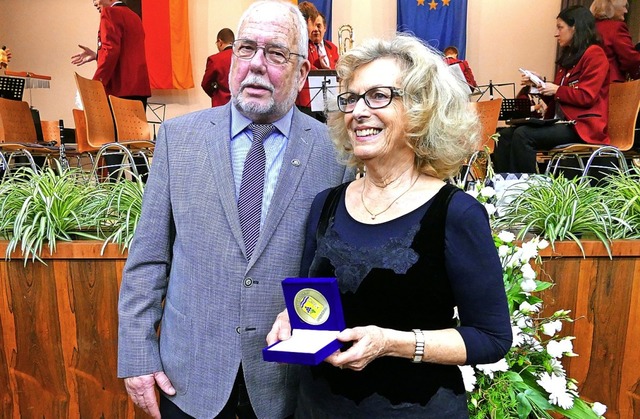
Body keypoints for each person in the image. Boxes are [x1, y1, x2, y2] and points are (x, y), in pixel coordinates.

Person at [117, 1, 348, 418]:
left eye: (276, 53)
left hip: (287, 388)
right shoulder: (178, 140)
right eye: (246, 48)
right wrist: (137, 357)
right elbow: (148, 260)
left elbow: (340, 267)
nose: (256, 65)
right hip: (189, 381)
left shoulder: (335, 155)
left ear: (302, 74)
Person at [267, 34, 512, 417]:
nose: (358, 112)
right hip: (319, 408)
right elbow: (313, 299)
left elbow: (491, 338)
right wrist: (291, 318)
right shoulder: (326, 205)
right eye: (350, 99)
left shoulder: (455, 213)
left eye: (378, 96)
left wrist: (391, 342)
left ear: (420, 109)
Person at [493, 6, 610, 173]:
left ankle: (527, 189)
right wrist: (539, 85)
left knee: (523, 134)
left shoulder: (595, 54)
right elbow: (559, 97)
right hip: (563, 123)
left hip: (581, 126)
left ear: (575, 27)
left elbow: (586, 96)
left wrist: (556, 90)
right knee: (503, 135)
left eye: (560, 27)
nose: (556, 33)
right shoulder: (569, 58)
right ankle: (504, 185)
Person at [71, 0, 151, 107]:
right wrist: (97, 56)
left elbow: (110, 51)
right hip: (138, 89)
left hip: (119, 90)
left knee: (110, 124)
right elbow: (126, 52)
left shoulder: (110, 13)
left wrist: (96, 85)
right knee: (135, 125)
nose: (94, 3)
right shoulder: (135, 17)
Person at [590, 0, 640, 82]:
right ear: (611, 8)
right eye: (624, 7)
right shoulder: (616, 27)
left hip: (592, 83)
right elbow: (630, 59)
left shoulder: (590, 28)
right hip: (611, 85)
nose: (626, 11)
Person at [295, 1, 320, 112]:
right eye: (314, 24)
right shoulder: (300, 40)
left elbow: (311, 62)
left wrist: (320, 65)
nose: (314, 29)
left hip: (311, 99)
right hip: (303, 99)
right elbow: (302, 64)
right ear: (309, 20)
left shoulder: (309, 43)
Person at [201, 28, 235, 107]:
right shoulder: (243, 57)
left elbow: (205, 84)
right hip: (240, 105)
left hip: (221, 103)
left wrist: (215, 94)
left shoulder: (214, 60)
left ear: (220, 42)